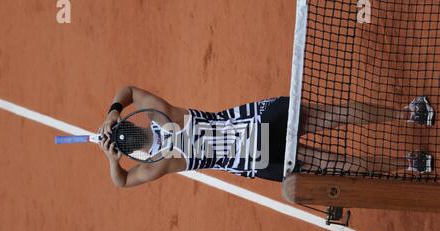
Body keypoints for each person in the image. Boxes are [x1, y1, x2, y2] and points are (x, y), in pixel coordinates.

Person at [98, 86, 434, 187]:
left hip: (257, 160)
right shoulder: (163, 111)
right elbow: (127, 90)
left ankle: (411, 163)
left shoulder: (161, 165)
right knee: (337, 114)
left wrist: (112, 159)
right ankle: (411, 113)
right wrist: (113, 109)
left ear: (132, 152)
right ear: (136, 122)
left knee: (338, 162)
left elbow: (122, 182)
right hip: (257, 122)